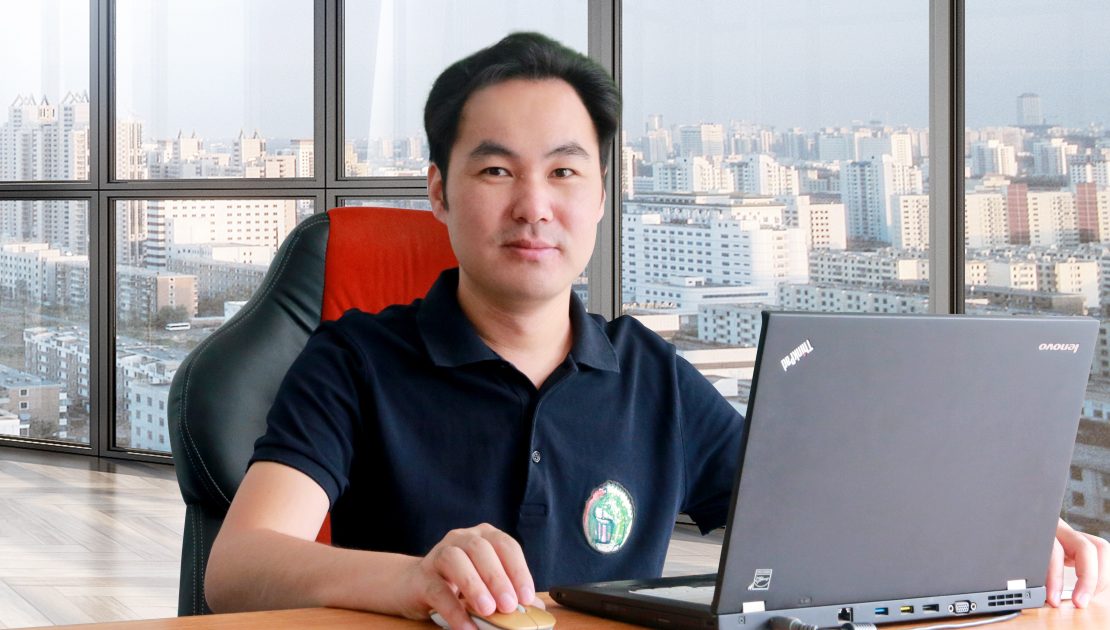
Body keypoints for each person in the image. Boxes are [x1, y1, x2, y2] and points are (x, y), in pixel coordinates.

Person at [203, 32, 1110, 629]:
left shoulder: (650, 374)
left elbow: (817, 512)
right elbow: (238, 567)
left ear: (602, 195)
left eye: (565, 172)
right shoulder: (355, 359)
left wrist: (995, 533)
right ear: (438, 191)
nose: (534, 206)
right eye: (496, 171)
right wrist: (413, 581)